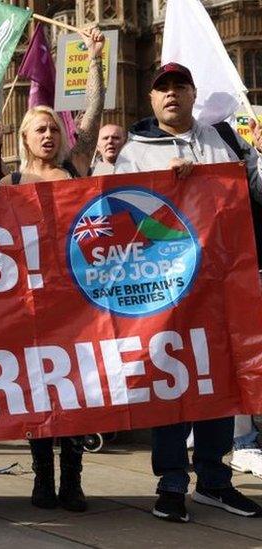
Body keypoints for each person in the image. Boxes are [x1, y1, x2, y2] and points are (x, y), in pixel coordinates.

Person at [112, 61, 262, 523]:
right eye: (163, 89)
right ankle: (172, 481)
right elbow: (118, 218)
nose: (172, 94)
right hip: (166, 291)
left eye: (180, 86)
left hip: (222, 286)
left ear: (194, 94)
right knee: (172, 383)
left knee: (218, 383)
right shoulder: (135, 154)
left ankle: (215, 481)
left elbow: (256, 189)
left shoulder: (226, 142)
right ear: (152, 100)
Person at [0, 27, 106, 513]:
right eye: (41, 129)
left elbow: (93, 118)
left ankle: (72, 479)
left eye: (55, 128)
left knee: (75, 389)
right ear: (26, 137)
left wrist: (94, 60)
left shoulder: (76, 166)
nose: (50, 135)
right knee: (38, 388)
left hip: (75, 295)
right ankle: (42, 477)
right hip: (30, 300)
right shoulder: (13, 182)